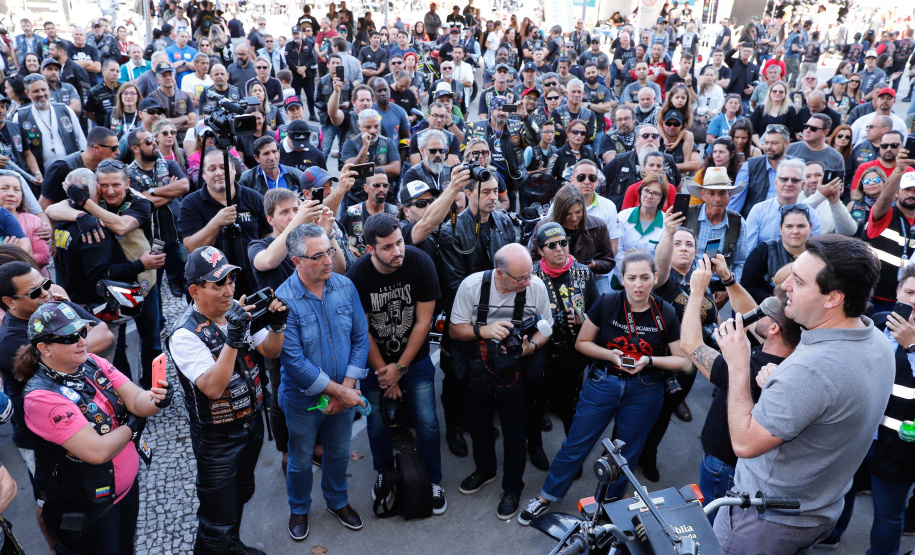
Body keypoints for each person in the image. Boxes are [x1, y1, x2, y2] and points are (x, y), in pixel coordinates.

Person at [713, 234, 892, 551]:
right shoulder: (876, 341)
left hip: (764, 523)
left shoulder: (810, 370)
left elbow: (744, 442)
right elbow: (830, 404)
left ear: (832, 298)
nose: (785, 288)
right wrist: (781, 385)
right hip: (817, 512)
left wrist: (739, 364)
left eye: (798, 281)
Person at [518, 249, 691, 525]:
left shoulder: (665, 312)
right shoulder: (608, 302)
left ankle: (606, 510)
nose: (638, 284)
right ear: (621, 279)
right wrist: (610, 355)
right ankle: (546, 497)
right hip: (602, 384)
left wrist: (648, 360)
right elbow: (582, 343)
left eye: (645, 277)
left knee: (624, 456)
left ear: (655, 278)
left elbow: (681, 360)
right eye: (632, 277)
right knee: (576, 444)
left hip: (645, 390)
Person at [18, 300, 169, 554]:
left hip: (123, 490)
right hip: (90, 507)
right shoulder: (41, 397)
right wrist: (133, 425)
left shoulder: (92, 362)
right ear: (44, 348)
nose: (81, 341)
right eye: (69, 338)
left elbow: (136, 399)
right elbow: (98, 451)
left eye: (82, 332)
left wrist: (156, 398)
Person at [169, 245, 285, 554]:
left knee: (241, 493)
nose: (229, 290)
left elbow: (270, 351)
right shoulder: (184, 335)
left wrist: (276, 326)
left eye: (231, 280)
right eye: (218, 284)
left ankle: (233, 546)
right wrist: (233, 337)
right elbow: (212, 387)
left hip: (251, 424)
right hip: (217, 439)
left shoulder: (236, 310)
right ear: (195, 290)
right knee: (215, 518)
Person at [346, 213, 447, 514]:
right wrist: (385, 375)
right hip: (374, 364)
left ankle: (433, 480)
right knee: (376, 424)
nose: (397, 252)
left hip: (413, 361)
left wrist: (399, 369)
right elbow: (361, 332)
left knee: (427, 422)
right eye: (387, 247)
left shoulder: (420, 263)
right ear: (370, 250)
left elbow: (422, 322)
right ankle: (384, 472)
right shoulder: (357, 276)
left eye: (399, 243)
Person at [681, 256, 799, 511]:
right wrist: (728, 278)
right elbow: (756, 315)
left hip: (722, 465)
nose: (759, 310)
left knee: (713, 524)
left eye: (767, 309)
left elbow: (690, 344)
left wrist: (697, 292)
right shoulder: (789, 354)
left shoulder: (745, 364)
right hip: (745, 465)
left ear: (775, 329)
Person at [275, 223, 368, 538]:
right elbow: (294, 362)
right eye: (318, 256)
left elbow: (359, 339)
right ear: (297, 262)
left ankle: (337, 501)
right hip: (303, 401)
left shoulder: (345, 286)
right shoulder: (283, 300)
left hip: (346, 393)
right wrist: (339, 393)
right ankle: (299, 509)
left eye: (330, 251)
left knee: (339, 453)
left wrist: (346, 390)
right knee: (300, 459)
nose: (329, 260)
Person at [449, 243, 552, 520]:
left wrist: (531, 347)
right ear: (499, 273)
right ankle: (485, 470)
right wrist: (484, 331)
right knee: (480, 425)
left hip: (517, 369)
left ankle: (512, 488)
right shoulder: (472, 286)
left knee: (515, 431)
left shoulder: (536, 287)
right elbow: (455, 330)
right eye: (520, 278)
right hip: (478, 367)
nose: (527, 282)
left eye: (529, 275)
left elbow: (546, 329)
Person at [526, 221, 599, 470]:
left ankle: (571, 454)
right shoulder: (531, 275)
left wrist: (583, 319)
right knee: (536, 403)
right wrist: (546, 321)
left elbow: (597, 313)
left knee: (571, 407)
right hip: (540, 354)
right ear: (540, 250)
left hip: (573, 355)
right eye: (551, 245)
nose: (559, 249)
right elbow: (520, 315)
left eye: (563, 243)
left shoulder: (584, 273)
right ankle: (534, 444)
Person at [178, 147, 271, 297]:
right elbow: (191, 247)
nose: (219, 173)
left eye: (223, 167)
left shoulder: (254, 197)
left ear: (234, 170)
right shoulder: (191, 203)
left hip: (252, 282)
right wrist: (216, 222)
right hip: (212, 286)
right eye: (212, 169)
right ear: (204, 175)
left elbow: (268, 236)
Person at [126, 127, 190, 297]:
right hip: (152, 239)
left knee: (191, 280)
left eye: (153, 139)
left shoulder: (169, 164)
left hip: (178, 233)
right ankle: (159, 322)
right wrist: (171, 190)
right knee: (153, 286)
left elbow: (184, 186)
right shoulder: (128, 174)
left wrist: (153, 191)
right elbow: (145, 204)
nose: (154, 143)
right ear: (135, 148)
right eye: (148, 142)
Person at [531, 184, 615, 287]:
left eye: (578, 212)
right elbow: (532, 262)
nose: (574, 218)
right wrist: (556, 263)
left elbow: (609, 261)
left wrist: (591, 265)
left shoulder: (598, 225)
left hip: (587, 281)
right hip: (552, 281)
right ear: (559, 212)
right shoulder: (543, 227)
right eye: (568, 214)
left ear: (583, 208)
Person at [15, 75, 86, 190]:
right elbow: (21, 151)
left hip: (72, 174)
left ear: (48, 89)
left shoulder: (65, 110)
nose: (41, 94)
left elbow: (81, 141)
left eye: (43, 89)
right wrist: (35, 173)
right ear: (27, 93)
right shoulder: (20, 116)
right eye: (36, 91)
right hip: (43, 178)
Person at [865, 150, 915, 313]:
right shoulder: (886, 213)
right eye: (907, 189)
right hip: (875, 299)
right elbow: (884, 199)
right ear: (896, 193)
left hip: (909, 300)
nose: (911, 194)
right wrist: (899, 170)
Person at [740, 205, 811, 303]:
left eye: (801, 226)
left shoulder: (818, 254)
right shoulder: (764, 250)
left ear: (810, 227)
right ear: (780, 228)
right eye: (789, 226)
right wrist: (775, 301)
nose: (795, 231)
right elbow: (747, 287)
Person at [745, 158, 823, 248]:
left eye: (795, 180)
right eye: (784, 179)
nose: (789, 184)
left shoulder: (812, 215)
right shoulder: (758, 211)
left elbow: (814, 252)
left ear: (802, 185)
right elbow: (748, 250)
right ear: (776, 183)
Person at [729, 124, 791, 217]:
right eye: (766, 142)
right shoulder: (750, 166)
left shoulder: (796, 167)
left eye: (774, 143)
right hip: (758, 221)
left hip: (790, 220)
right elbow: (736, 200)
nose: (768, 147)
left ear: (786, 144)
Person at [798, 161, 857, 236]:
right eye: (808, 176)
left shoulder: (831, 200)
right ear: (802, 181)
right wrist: (820, 195)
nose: (813, 180)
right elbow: (794, 214)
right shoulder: (795, 198)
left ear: (825, 177)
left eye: (818, 175)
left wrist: (835, 203)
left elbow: (849, 231)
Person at [748, 81, 797, 147]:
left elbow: (791, 132)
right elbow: (752, 129)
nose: (777, 93)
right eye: (774, 91)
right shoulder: (760, 108)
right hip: (761, 146)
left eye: (781, 92)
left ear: (785, 94)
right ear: (770, 93)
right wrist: (760, 145)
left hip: (781, 147)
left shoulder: (790, 110)